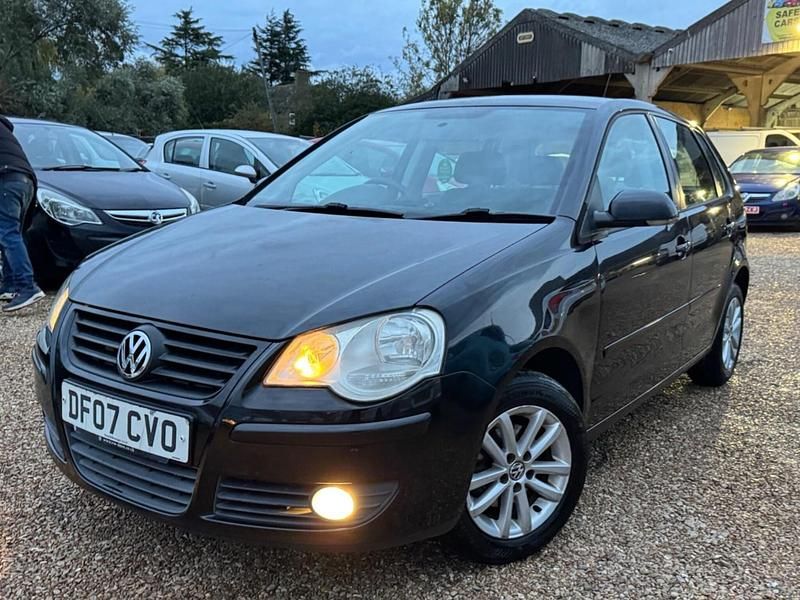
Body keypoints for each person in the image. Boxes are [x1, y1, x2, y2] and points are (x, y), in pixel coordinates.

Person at [0, 115, 44, 312]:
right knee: (12, 232)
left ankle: (27, 287)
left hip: (7, 178)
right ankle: (10, 285)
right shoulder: (4, 128)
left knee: (7, 233)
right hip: (25, 180)